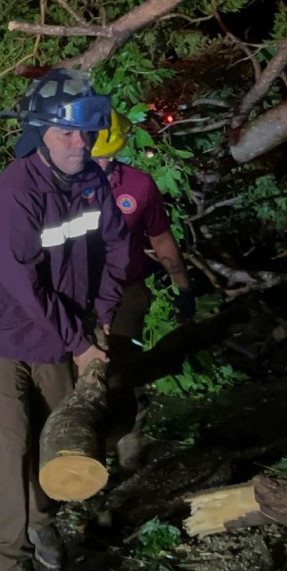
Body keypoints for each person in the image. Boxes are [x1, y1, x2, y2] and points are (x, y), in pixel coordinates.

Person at [0, 70, 130, 571]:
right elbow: (25, 286)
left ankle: (42, 522)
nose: (79, 144)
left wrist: (100, 320)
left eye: (85, 133)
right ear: (38, 133)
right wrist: (81, 343)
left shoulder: (92, 184)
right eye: (65, 134)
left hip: (57, 335)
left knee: (56, 443)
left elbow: (114, 254)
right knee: (8, 454)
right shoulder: (13, 194)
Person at [91, 110, 198, 470]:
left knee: (122, 376)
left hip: (126, 293)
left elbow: (161, 238)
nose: (101, 162)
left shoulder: (138, 186)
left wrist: (184, 287)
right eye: (94, 155)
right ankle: (76, 454)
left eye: (108, 153)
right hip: (75, 295)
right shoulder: (58, 186)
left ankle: (127, 449)